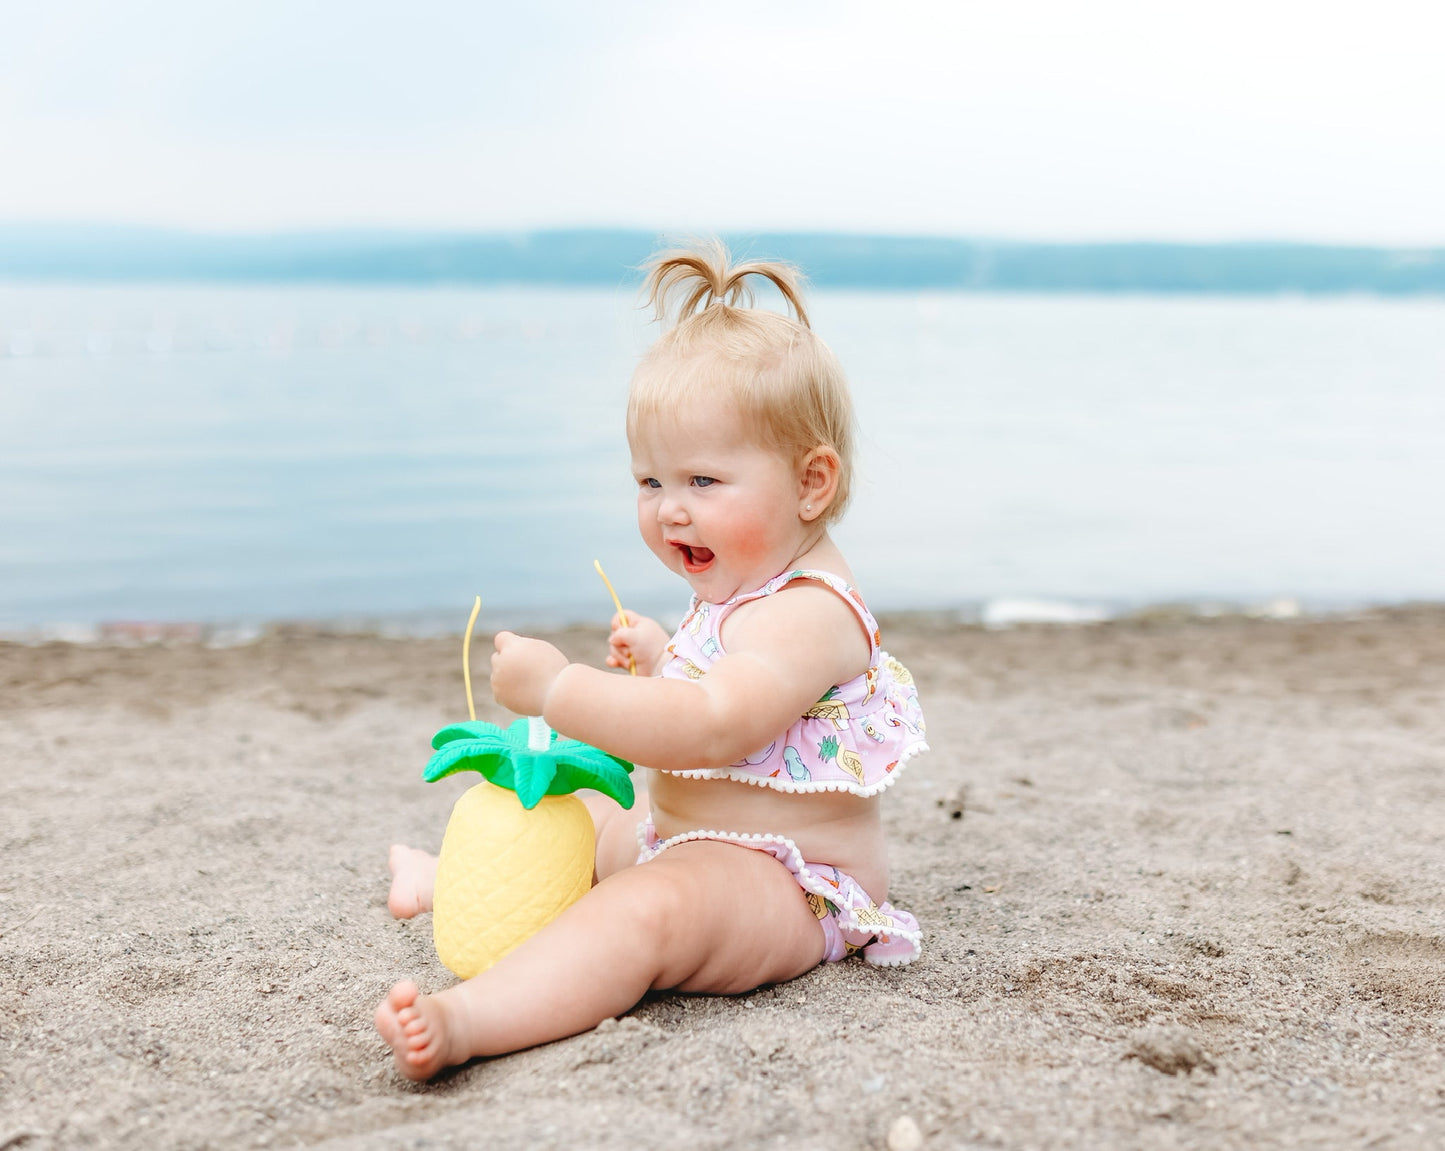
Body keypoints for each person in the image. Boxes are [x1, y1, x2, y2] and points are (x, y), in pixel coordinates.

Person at [375, 241, 927, 1079]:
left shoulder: (811, 611)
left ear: (811, 483)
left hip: (784, 882)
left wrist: (563, 689)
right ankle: (448, 879)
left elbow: (713, 724)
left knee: (643, 909)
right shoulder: (749, 585)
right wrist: (668, 653)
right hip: (682, 831)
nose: (670, 509)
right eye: (648, 481)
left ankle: (467, 1020)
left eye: (703, 480)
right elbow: (733, 694)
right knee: (580, 806)